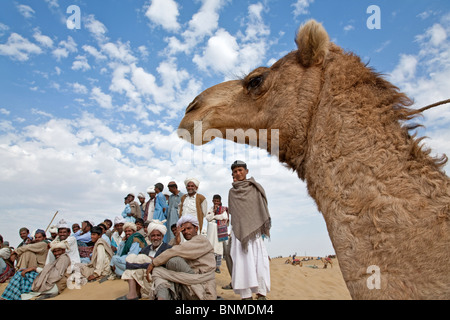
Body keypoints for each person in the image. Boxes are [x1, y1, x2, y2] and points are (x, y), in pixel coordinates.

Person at [228, 160, 271, 300]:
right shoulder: (232, 192)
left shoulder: (255, 188)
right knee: (242, 262)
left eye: (240, 170)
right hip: (240, 234)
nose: (238, 173)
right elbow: (235, 214)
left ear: (246, 171)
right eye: (235, 171)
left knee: (260, 262)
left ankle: (261, 293)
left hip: (255, 233)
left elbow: (261, 207)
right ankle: (246, 295)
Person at [146, 215, 216, 300]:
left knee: (172, 262)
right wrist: (177, 238)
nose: (186, 232)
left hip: (202, 286)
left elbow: (175, 251)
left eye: (189, 228)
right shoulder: (187, 243)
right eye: (183, 230)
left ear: (196, 229)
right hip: (188, 281)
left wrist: (153, 263)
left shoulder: (201, 240)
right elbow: (175, 249)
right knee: (161, 274)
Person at [118, 219, 172, 300]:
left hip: (158, 276)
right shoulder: (145, 250)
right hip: (144, 275)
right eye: (153, 236)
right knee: (130, 265)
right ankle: (132, 295)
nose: (156, 238)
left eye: (158, 235)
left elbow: (169, 265)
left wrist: (153, 261)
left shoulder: (168, 249)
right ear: (149, 237)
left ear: (162, 237)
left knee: (142, 259)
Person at [1, 242, 71, 301]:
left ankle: (8, 297)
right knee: (21, 273)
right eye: (55, 251)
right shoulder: (59, 259)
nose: (56, 253)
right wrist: (34, 269)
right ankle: (10, 297)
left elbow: (56, 275)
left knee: (20, 275)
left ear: (63, 250)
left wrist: (39, 276)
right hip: (47, 280)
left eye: (58, 251)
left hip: (51, 284)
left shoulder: (63, 258)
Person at [205, 195, 229, 273]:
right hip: (211, 231)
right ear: (212, 201)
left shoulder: (223, 209)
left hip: (219, 232)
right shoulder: (211, 209)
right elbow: (208, 218)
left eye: (217, 201)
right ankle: (210, 266)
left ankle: (217, 267)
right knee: (210, 247)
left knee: (218, 249)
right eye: (215, 201)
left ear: (220, 201)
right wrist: (214, 213)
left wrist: (214, 216)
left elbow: (224, 217)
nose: (216, 202)